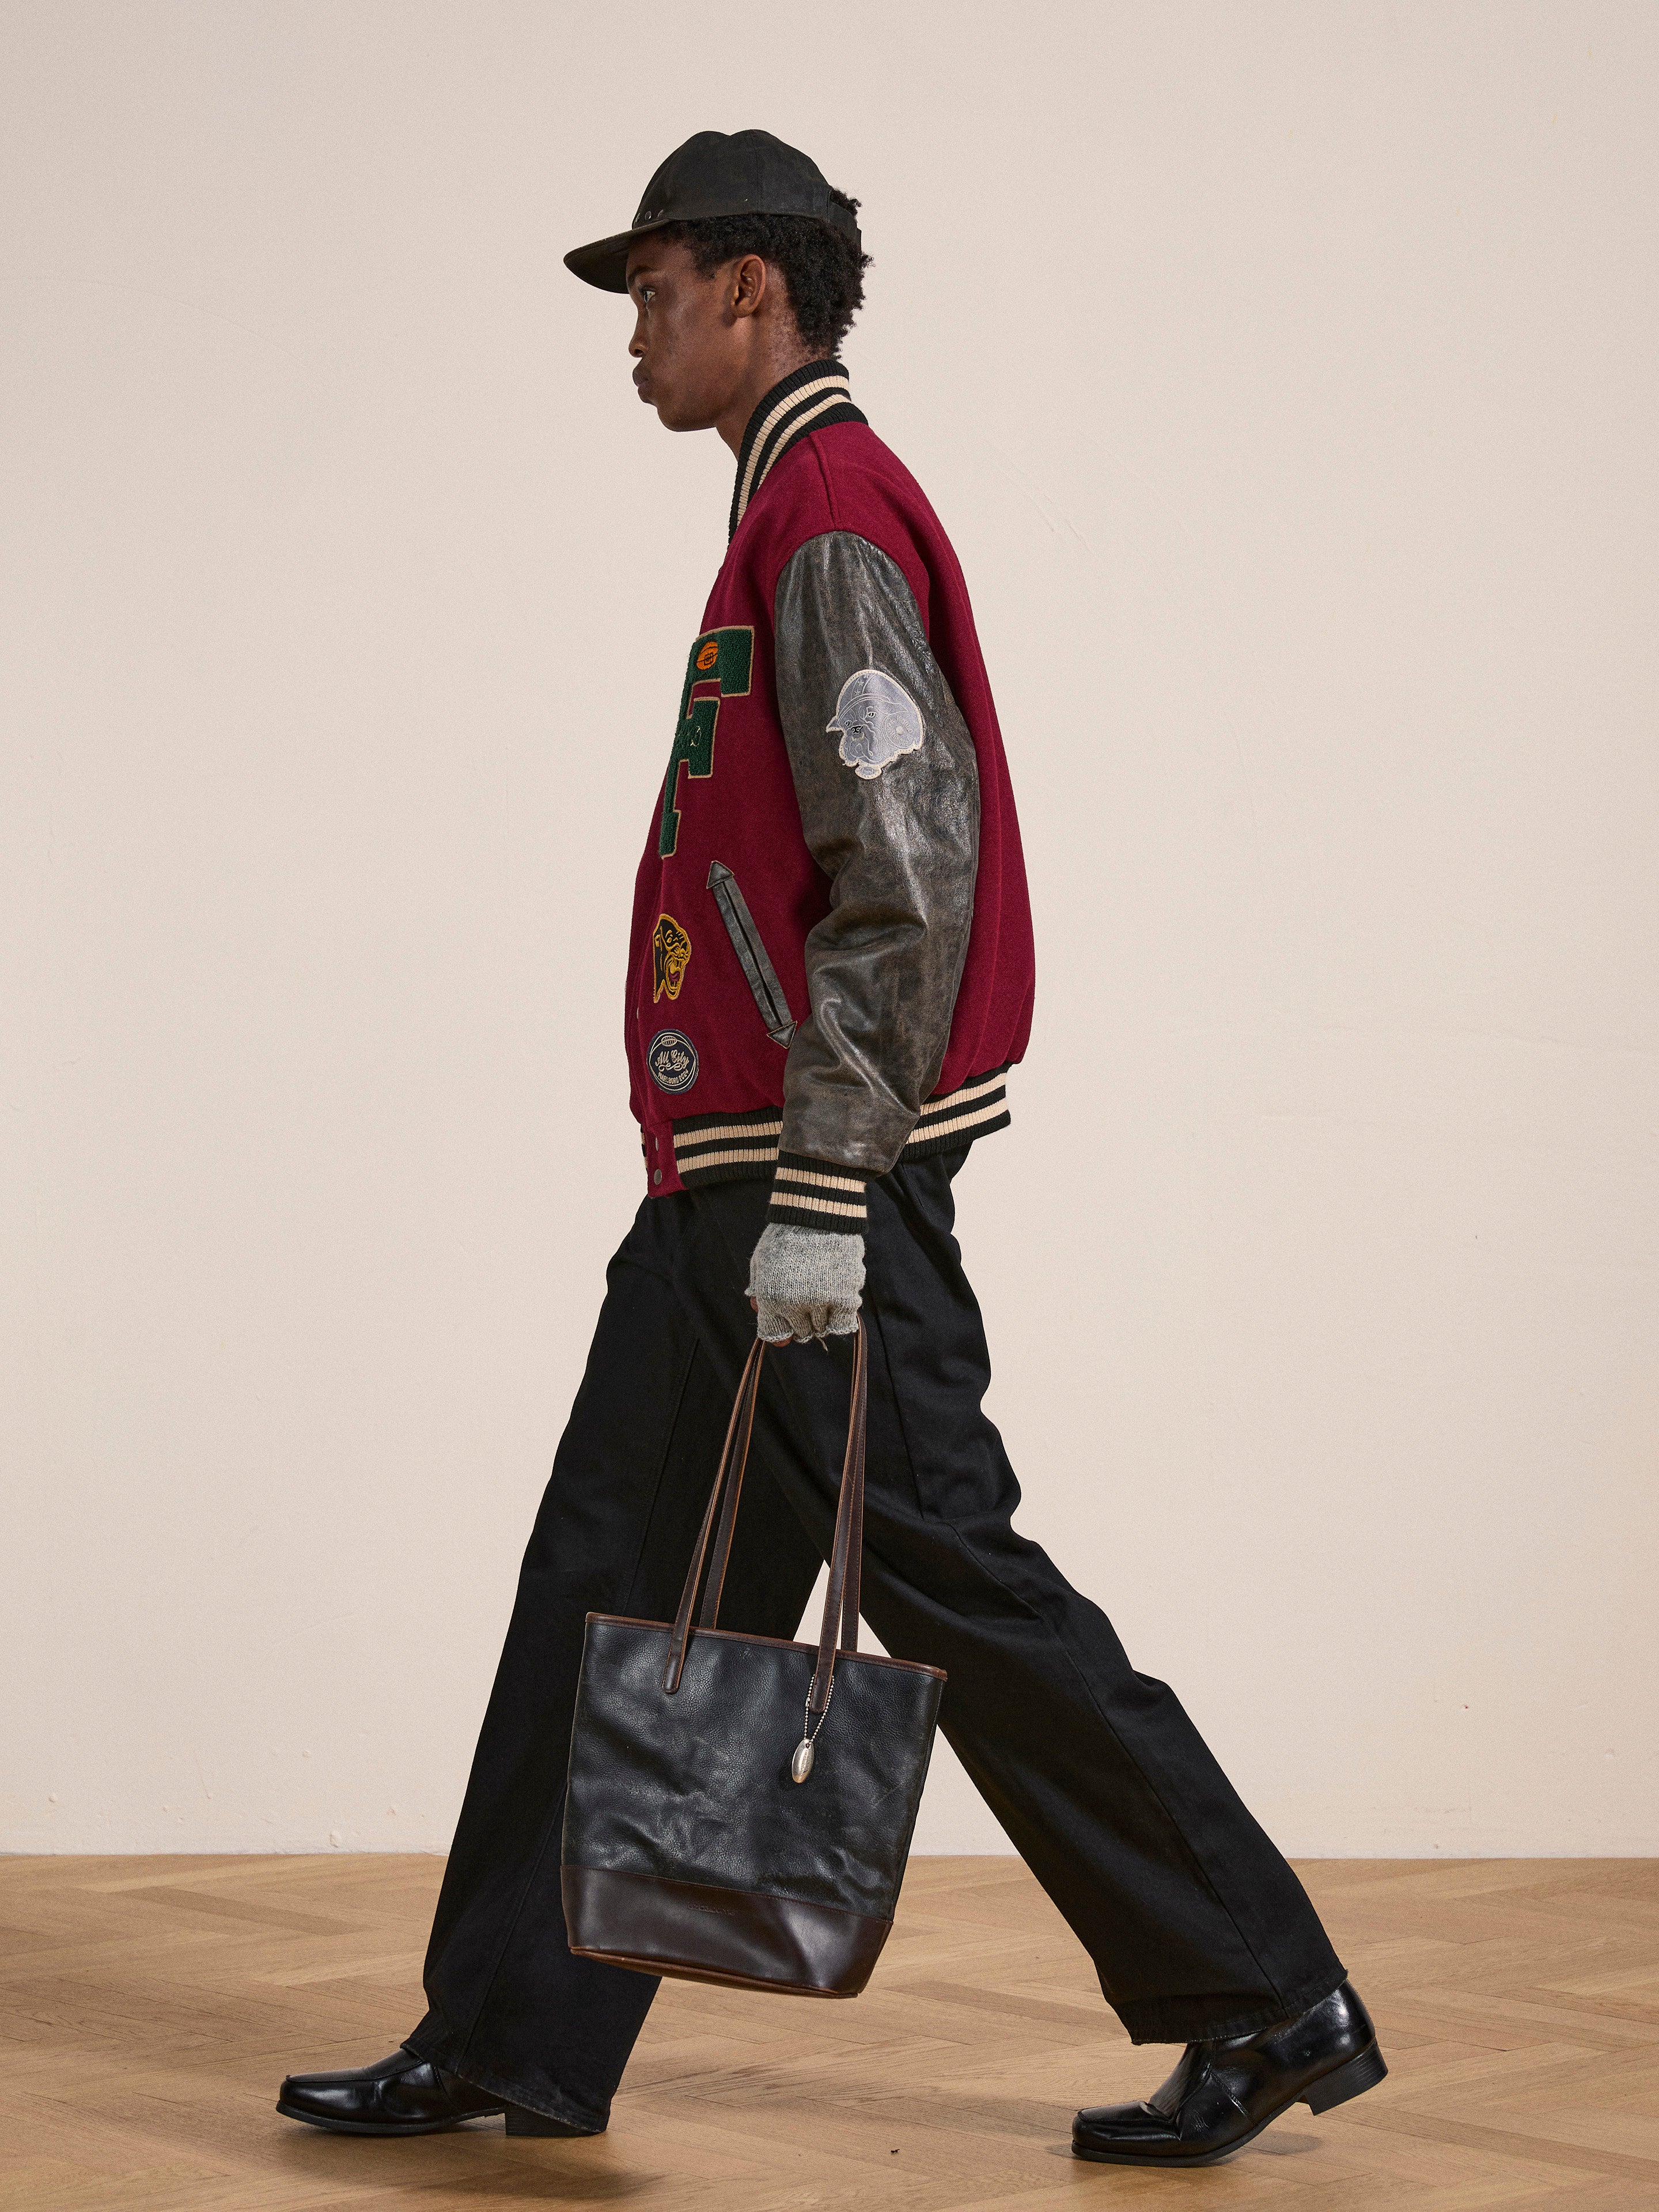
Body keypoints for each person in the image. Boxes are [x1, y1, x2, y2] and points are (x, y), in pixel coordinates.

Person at [276, 128, 1385, 2169]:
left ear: (755, 294)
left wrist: (819, 1187)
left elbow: (908, 866)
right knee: (601, 1592)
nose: (634, 333)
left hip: (808, 1193)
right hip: (720, 1191)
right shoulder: (782, 508)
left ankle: (1265, 1985)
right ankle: (511, 2034)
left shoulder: (833, 514)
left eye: (656, 288)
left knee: (955, 1580)